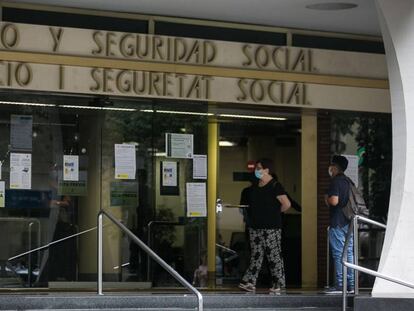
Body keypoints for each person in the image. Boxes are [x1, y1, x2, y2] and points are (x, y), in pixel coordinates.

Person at [238, 158, 291, 293]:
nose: (256, 171)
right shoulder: (256, 187)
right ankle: (250, 281)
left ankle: (278, 283)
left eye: (259, 168)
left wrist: (274, 213)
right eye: (256, 168)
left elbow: (286, 204)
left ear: (267, 170)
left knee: (273, 255)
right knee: (256, 254)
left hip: (271, 227)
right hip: (255, 227)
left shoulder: (275, 186)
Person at [325, 155, 354, 294]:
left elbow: (334, 201)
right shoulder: (349, 182)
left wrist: (326, 198)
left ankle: (340, 285)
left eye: (331, 165)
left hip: (337, 221)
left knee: (338, 254)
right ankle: (351, 285)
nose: (330, 168)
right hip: (349, 221)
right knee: (348, 253)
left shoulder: (336, 182)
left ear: (335, 167)